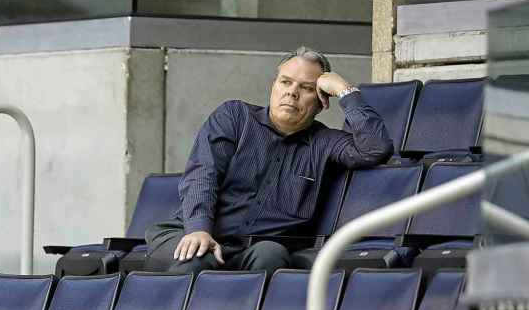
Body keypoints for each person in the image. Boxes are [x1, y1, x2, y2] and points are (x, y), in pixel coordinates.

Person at [145, 46, 394, 275]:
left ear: (321, 102)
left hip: (253, 250)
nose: (292, 92)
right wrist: (198, 228)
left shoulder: (324, 143)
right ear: (273, 86)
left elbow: (376, 148)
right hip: (190, 232)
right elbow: (203, 174)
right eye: (285, 82)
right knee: (198, 258)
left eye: (306, 88)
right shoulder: (234, 116)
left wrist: (344, 90)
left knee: (272, 254)